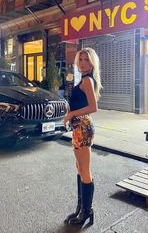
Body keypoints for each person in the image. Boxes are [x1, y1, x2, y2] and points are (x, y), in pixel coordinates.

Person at [63, 47, 102, 227]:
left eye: (87, 60)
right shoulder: (82, 80)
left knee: (85, 170)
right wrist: (69, 114)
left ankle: (87, 211)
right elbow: (80, 103)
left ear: (92, 62)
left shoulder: (87, 80)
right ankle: (80, 208)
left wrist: (71, 115)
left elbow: (93, 107)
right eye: (81, 59)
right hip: (79, 127)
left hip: (84, 127)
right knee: (79, 168)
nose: (83, 63)